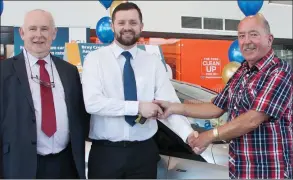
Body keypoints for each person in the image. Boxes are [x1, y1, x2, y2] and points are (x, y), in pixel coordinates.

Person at [154, 13, 293, 179]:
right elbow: (216, 107)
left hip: (269, 171)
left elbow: (253, 118)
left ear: (269, 39)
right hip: (241, 169)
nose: (246, 41)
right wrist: (175, 107)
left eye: (253, 34)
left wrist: (209, 136)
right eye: (241, 36)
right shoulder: (242, 71)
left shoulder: (280, 72)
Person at [82, 2, 198, 179]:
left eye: (133, 22)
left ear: (141, 27)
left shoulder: (152, 63)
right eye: (121, 23)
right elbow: (92, 103)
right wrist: (137, 107)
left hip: (143, 153)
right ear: (112, 26)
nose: (127, 27)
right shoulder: (95, 60)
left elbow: (170, 104)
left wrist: (188, 134)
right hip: (106, 153)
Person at [0, 9, 90, 178]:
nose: (38, 35)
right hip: (20, 165)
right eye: (33, 29)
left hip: (66, 164)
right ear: (22, 32)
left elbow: (79, 114)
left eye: (44, 29)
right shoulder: (4, 71)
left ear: (54, 33)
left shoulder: (69, 71)